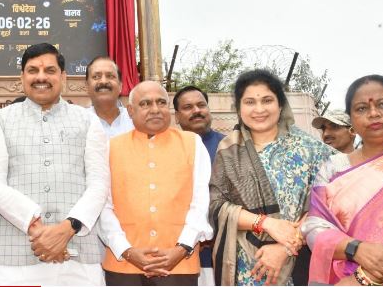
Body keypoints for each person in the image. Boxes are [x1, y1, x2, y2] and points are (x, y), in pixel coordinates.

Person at [0, 43, 110, 285]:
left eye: (50, 70)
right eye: (33, 70)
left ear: (63, 77)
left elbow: (99, 184)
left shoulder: (88, 121)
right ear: (22, 77)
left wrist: (66, 230)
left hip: (79, 254)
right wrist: (40, 232)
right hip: (15, 257)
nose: (41, 77)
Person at [209, 69, 334, 286]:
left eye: (267, 100)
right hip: (245, 264)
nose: (259, 109)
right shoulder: (228, 150)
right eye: (250, 102)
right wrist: (266, 224)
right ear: (238, 108)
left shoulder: (312, 149)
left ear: (280, 105)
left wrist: (286, 248)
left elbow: (325, 206)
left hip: (297, 260)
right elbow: (216, 206)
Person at [99, 81, 213, 285]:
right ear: (130, 111)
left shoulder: (192, 143)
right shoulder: (111, 148)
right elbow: (104, 206)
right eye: (145, 104)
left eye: (161, 102)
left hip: (179, 264)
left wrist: (182, 249)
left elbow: (201, 202)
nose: (155, 109)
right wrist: (127, 250)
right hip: (123, 265)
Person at [303, 75, 383, 285]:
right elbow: (315, 226)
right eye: (361, 108)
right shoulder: (333, 167)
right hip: (342, 277)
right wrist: (356, 249)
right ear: (351, 120)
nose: (373, 113)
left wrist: (365, 277)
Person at [173, 85, 225, 285]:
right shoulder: (166, 149)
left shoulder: (229, 147)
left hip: (218, 256)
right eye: (188, 107)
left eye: (201, 105)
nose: (196, 111)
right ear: (177, 116)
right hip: (178, 255)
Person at [86, 56, 134, 138]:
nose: (103, 81)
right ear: (87, 86)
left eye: (110, 76)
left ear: (120, 86)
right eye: (96, 77)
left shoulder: (135, 120)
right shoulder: (78, 122)